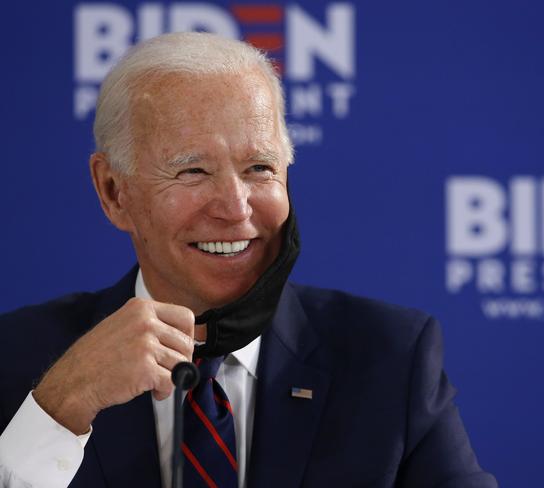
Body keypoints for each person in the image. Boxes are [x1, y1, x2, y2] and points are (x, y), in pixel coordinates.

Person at [0, 33, 497, 488]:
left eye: (259, 168)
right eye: (193, 171)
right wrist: (58, 411)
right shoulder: (19, 359)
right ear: (114, 192)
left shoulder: (392, 359)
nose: (236, 208)